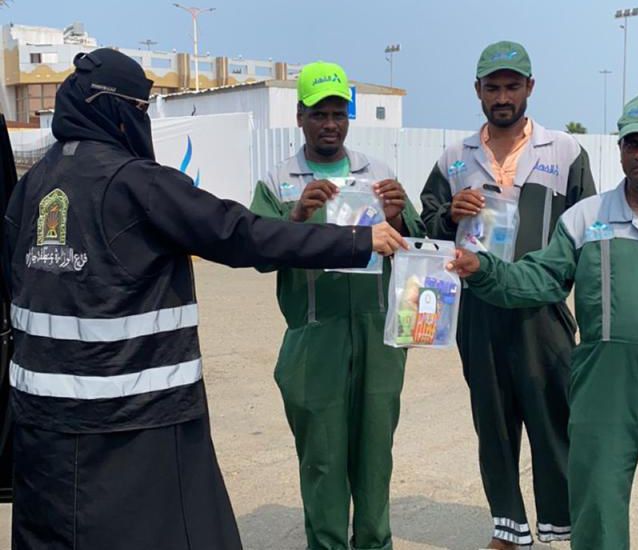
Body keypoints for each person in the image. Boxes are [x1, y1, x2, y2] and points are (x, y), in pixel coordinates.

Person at [4, 48, 406, 550]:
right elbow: (240, 235)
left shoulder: (33, 184)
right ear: (116, 109)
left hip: (43, 424)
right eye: (139, 110)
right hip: (134, 421)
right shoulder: (137, 183)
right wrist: (356, 242)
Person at [449, 92, 638, 550]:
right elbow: (540, 278)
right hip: (602, 390)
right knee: (596, 511)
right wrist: (484, 270)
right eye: (631, 143)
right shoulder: (586, 220)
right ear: (619, 149)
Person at [419, 41, 595, 548]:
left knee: (553, 416)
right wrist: (449, 214)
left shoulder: (564, 152)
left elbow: (587, 232)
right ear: (477, 91)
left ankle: (561, 523)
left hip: (542, 308)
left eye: (511, 86)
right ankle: (508, 528)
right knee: (493, 424)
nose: (502, 96)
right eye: (492, 87)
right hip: (478, 308)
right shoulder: (455, 158)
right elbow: (425, 227)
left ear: (529, 89)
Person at [250, 61, 425, 550]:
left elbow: (416, 249)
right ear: (300, 115)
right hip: (314, 335)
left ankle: (374, 543)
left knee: (374, 455)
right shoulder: (279, 179)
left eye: (339, 114)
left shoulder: (378, 172)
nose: (331, 124)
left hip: (378, 334)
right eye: (319, 113)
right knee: (323, 458)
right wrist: (298, 213)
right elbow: (258, 253)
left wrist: (399, 215)